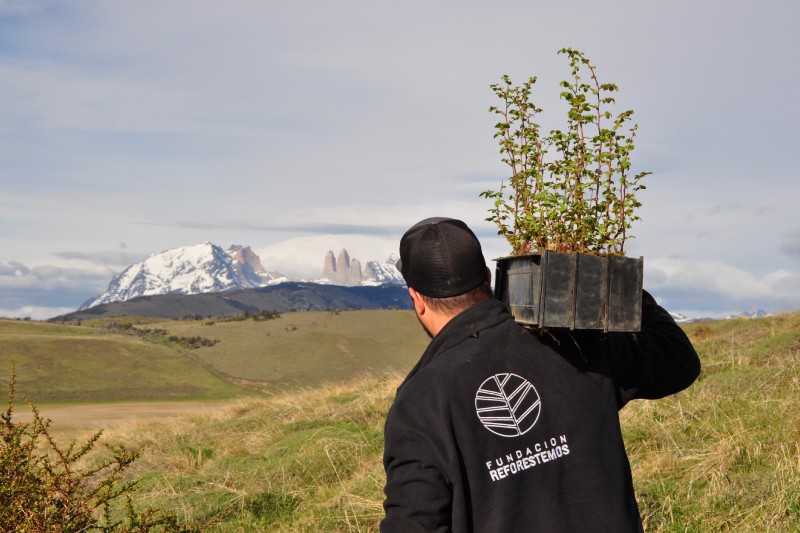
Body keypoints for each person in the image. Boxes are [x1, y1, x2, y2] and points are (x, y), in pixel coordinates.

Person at [381, 217, 701, 532]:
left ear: (417, 300)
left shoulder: (419, 404)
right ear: (489, 277)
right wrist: (609, 284)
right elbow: (678, 363)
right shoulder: (570, 340)